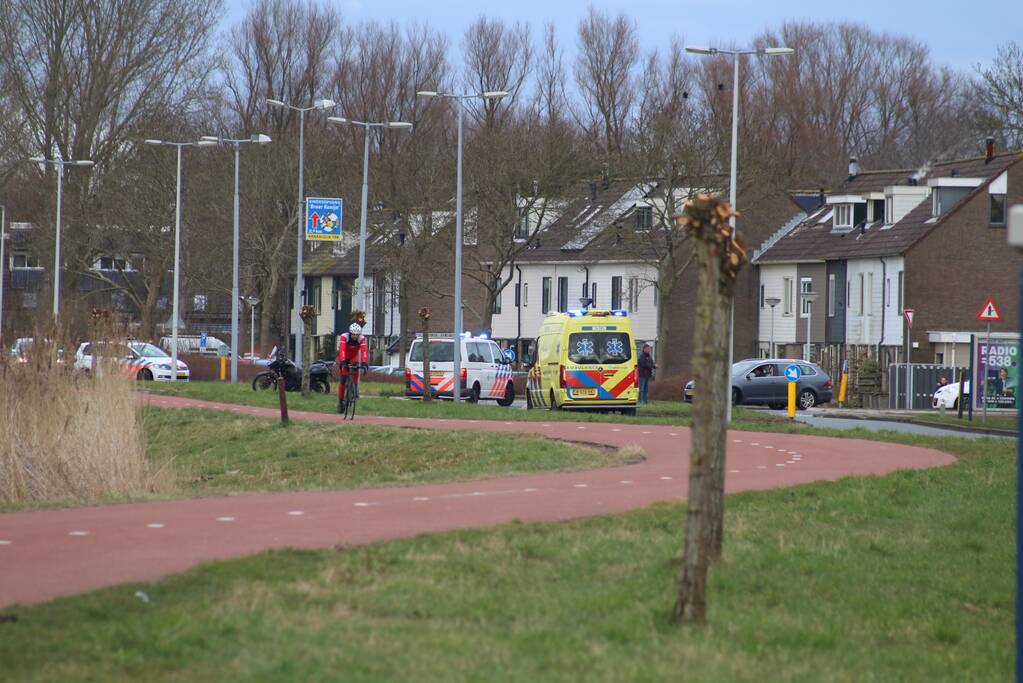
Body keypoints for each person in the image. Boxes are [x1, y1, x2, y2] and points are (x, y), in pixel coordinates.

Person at [337, 322, 368, 414]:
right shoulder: (344, 337)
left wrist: (364, 362)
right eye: (353, 334)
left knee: (356, 369)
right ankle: (340, 401)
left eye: (356, 334)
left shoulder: (362, 338)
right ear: (350, 333)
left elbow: (364, 350)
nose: (355, 336)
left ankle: (354, 388)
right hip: (344, 356)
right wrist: (343, 361)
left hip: (353, 357)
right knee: (343, 379)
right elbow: (342, 349)